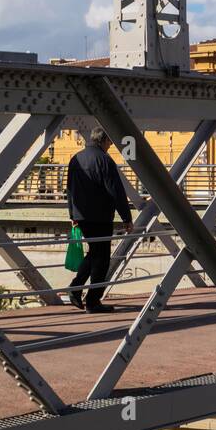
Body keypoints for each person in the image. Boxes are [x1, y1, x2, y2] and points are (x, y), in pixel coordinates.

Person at [66, 127, 133, 313]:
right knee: (102, 258)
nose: (110, 146)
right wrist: (126, 218)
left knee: (95, 253)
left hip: (82, 216)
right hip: (101, 217)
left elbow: (69, 190)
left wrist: (72, 215)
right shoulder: (105, 160)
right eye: (109, 142)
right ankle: (93, 301)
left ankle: (76, 289)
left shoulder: (75, 159)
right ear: (103, 141)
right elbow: (116, 191)